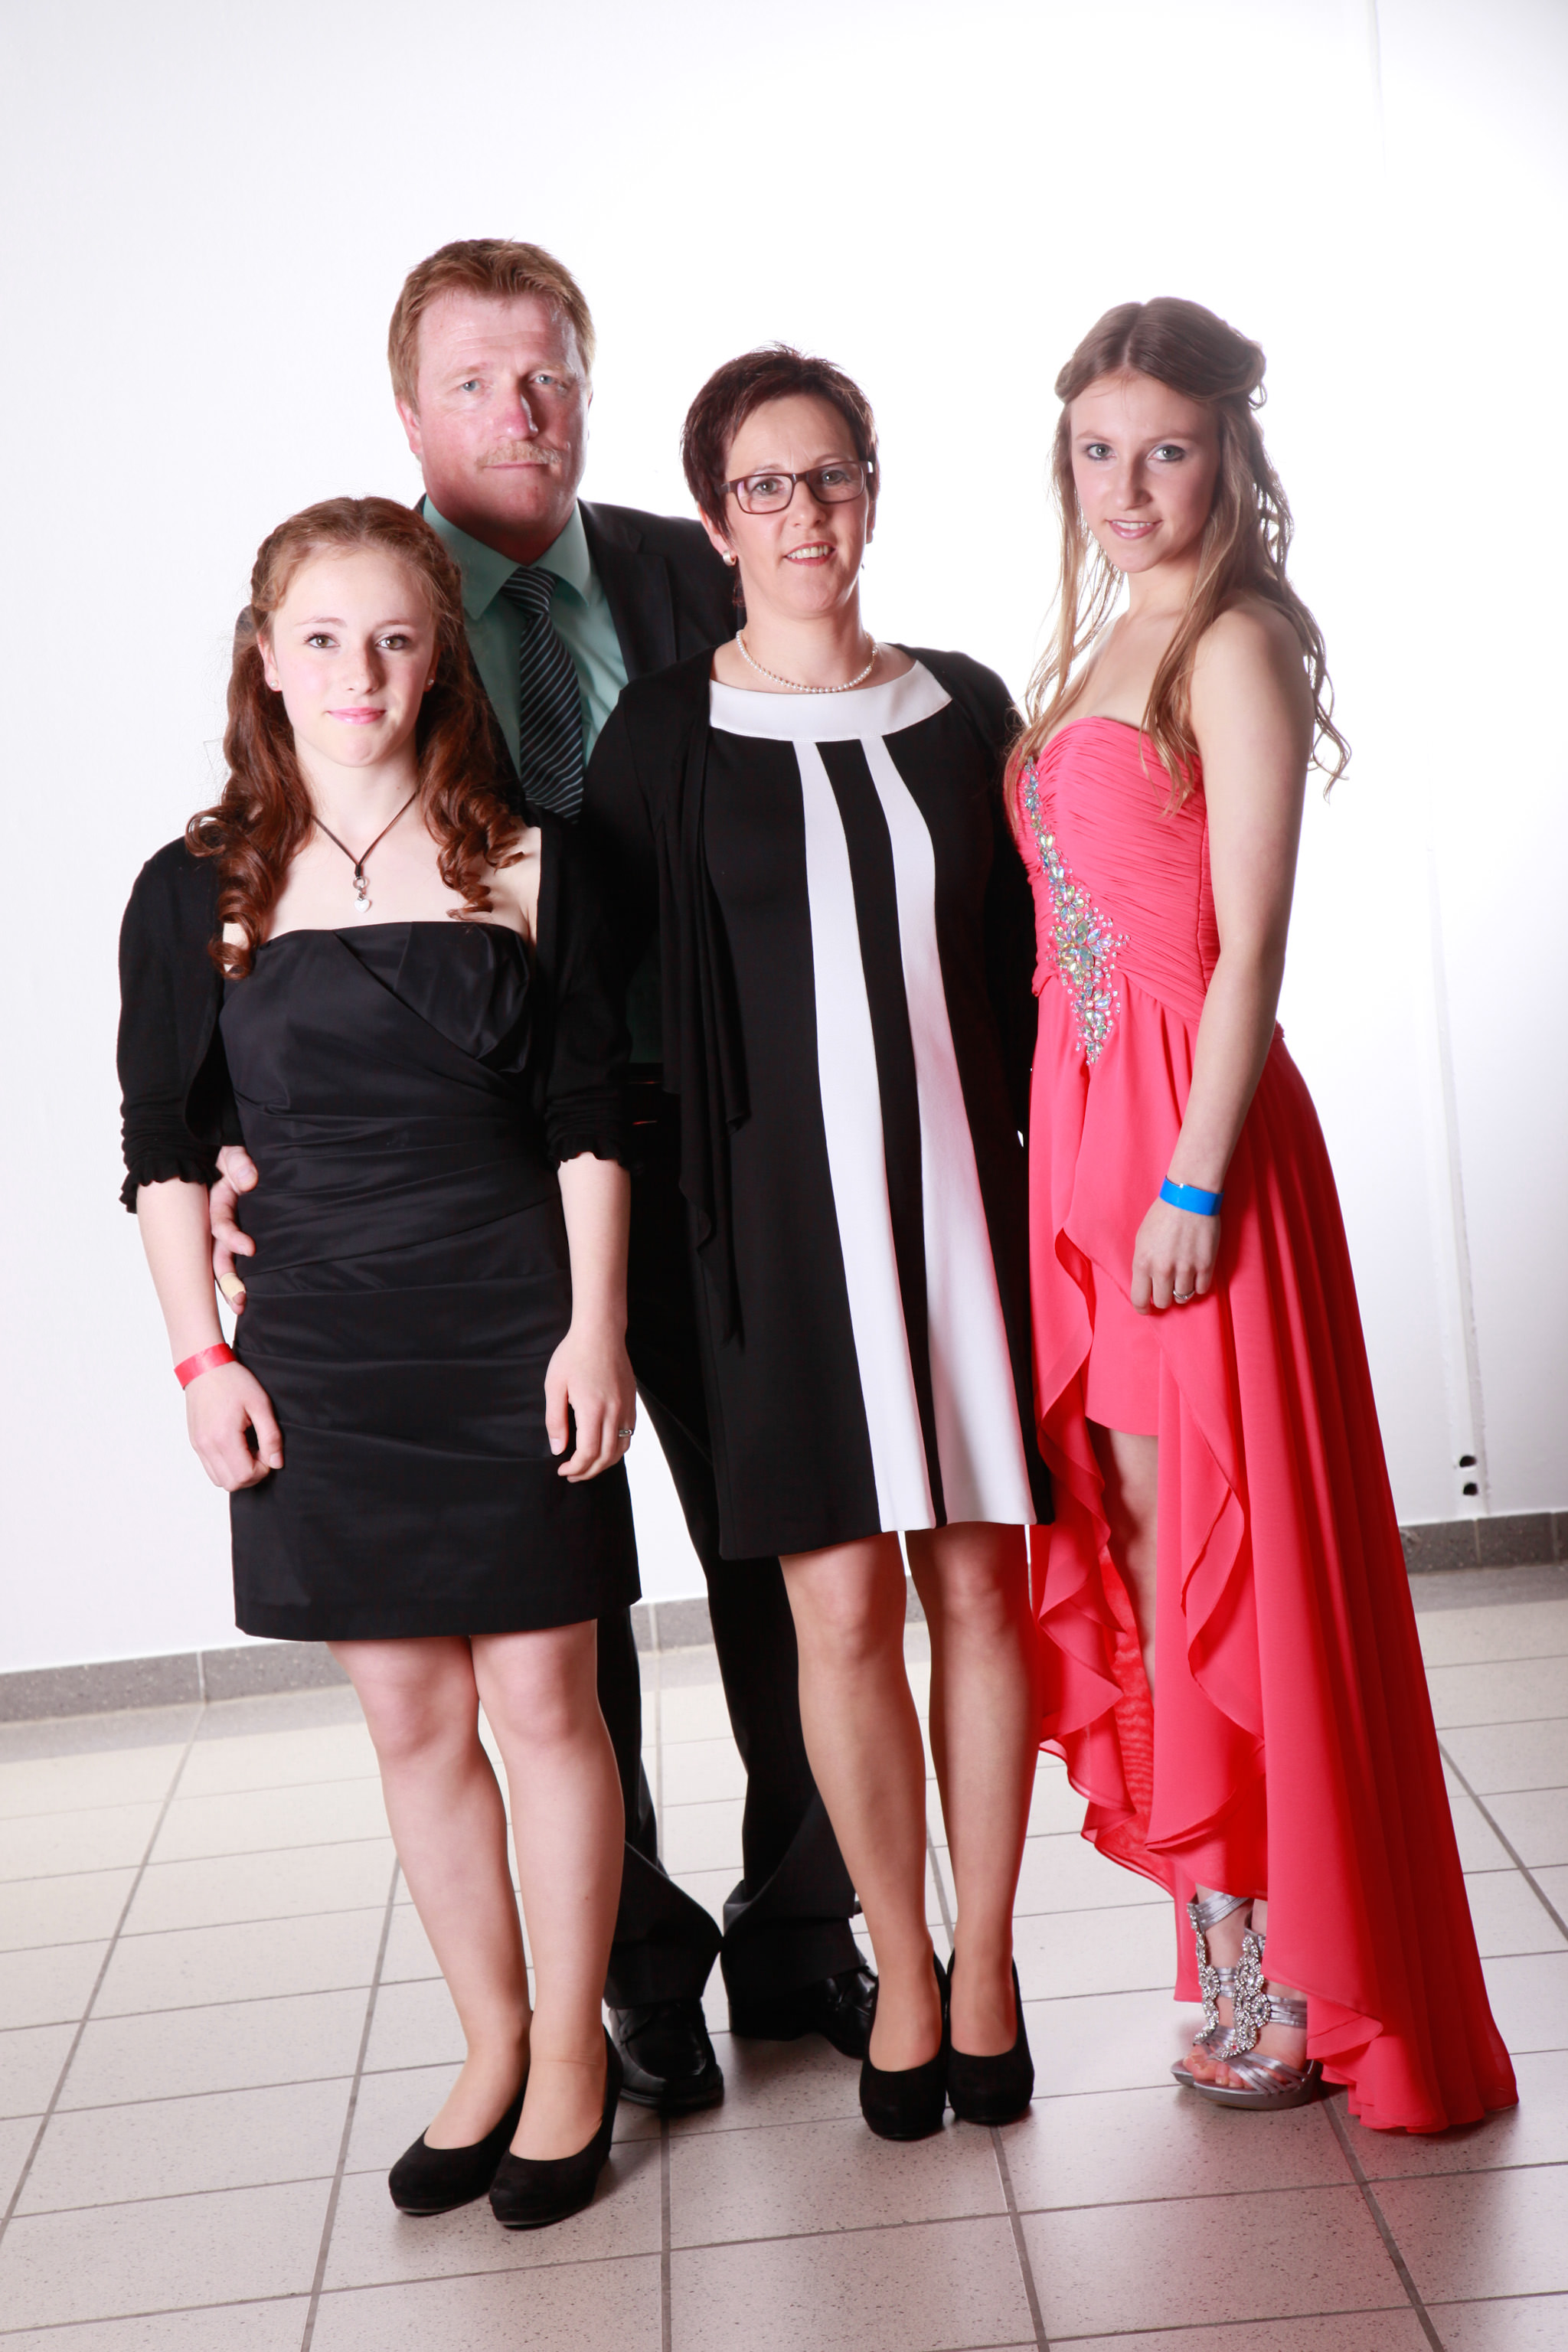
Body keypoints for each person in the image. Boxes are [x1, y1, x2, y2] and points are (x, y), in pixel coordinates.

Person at [204, 242, 871, 2117]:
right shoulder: (366, 607)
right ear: (408, 410)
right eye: (477, 380)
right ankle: (633, 1967)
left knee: (783, 1540)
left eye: (551, 374)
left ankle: (802, 1921)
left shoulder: (690, 569)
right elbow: (269, 882)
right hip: (501, 1195)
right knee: (554, 1595)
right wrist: (247, 1124)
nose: (522, 410)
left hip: (728, 1139)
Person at [1011, 297, 1517, 2128]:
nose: (1127, 484)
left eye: (1164, 447)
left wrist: (1192, 1176)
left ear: (1226, 453)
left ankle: (1288, 1979)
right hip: (1089, 1133)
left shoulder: (1232, 641)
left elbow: (1246, 951)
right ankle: (1237, 1953)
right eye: (1097, 449)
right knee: (1147, 1533)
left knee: (1219, 1548)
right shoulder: (1100, 637)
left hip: (1186, 1141)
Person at [119, 498, 637, 2225]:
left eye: (397, 639)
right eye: (325, 639)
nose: (361, 672)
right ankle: (492, 2046)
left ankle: (573, 2060)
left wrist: (596, 1328)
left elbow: (587, 1116)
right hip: (322, 1346)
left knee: (545, 1705)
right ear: (266, 659)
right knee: (410, 1715)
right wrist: (201, 1363)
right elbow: (164, 1144)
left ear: (440, 662)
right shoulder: (194, 888)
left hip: (511, 1319)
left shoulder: (530, 859)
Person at [581, 347, 1052, 2141]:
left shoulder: (964, 709)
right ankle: (900, 1975)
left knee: (981, 1593)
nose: (803, 513)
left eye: (831, 475)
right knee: (840, 1613)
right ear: (714, 522)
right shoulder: (664, 735)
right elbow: (580, 1004)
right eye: (763, 487)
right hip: (772, 1246)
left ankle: (987, 1965)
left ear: (872, 490)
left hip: (966, 1223)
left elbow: (1039, 978)